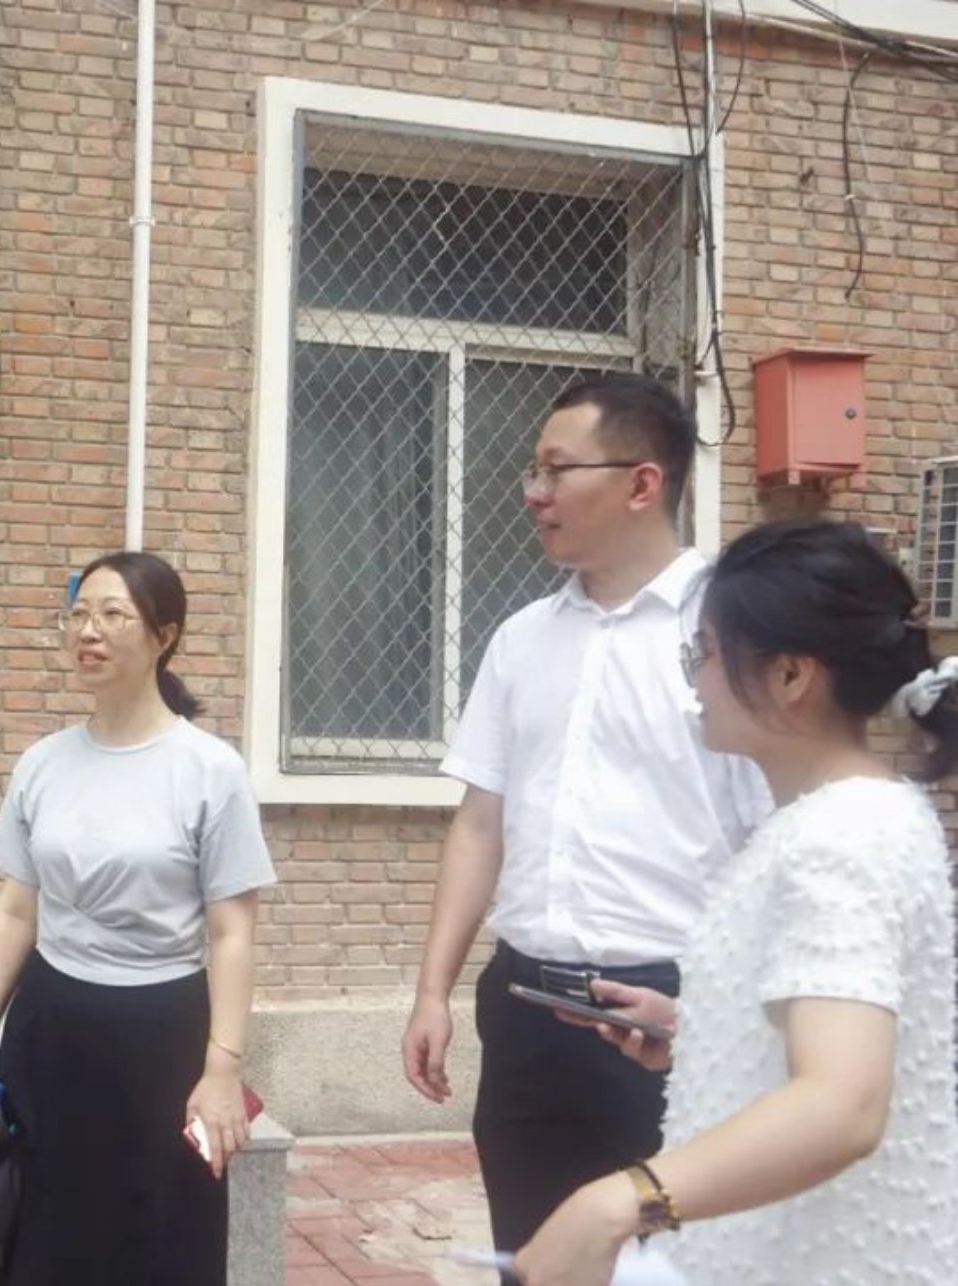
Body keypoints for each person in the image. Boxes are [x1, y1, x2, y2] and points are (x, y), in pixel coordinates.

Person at [514, 518, 958, 1284]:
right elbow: (832, 1035)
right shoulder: (834, 822)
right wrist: (695, 1030)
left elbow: (843, 1104)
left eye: (707, 653)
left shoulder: (844, 837)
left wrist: (616, 1202)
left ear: (790, 676)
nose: (695, 680)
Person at [399, 374, 771, 1258]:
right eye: (533, 470)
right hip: (527, 1008)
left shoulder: (733, 634)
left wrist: (723, 1015)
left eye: (557, 470)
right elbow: (479, 824)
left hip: (670, 1015)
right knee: (534, 1258)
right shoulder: (522, 638)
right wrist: (432, 991)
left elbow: (773, 843)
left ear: (642, 483)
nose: (534, 493)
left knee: (678, 1264)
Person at [0, 550, 276, 1286]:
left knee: (161, 1237)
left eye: (112, 615)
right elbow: (17, 909)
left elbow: (232, 933)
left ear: (165, 637)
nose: (88, 632)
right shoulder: (43, 762)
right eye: (78, 614)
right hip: (51, 1027)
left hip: (161, 1036)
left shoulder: (209, 770)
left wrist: (222, 1069)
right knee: (45, 1233)